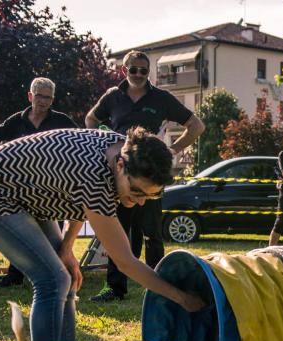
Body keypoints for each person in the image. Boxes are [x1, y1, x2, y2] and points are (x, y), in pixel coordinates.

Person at [0, 127, 205, 341]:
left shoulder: (123, 149)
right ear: (120, 166)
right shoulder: (96, 178)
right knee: (52, 280)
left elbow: (78, 201)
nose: (140, 202)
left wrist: (66, 248)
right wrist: (182, 298)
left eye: (150, 196)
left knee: (64, 273)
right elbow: (125, 262)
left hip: (29, 194)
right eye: (138, 191)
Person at [85, 50, 204, 302]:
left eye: (143, 70)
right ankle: (114, 289)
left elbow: (196, 126)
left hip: (150, 178)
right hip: (121, 178)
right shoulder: (113, 97)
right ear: (123, 70)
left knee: (152, 233)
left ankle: (160, 288)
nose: (138, 74)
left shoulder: (161, 98)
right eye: (133, 70)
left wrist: (171, 150)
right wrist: (103, 142)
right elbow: (90, 119)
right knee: (119, 233)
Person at [0, 77, 78, 288]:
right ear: (30, 96)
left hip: (53, 190)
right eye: (39, 96)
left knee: (56, 239)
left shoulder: (62, 121)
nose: (43, 101)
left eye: (48, 97)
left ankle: (62, 276)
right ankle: (15, 276)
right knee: (21, 233)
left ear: (52, 100)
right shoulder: (16, 120)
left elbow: (79, 143)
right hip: (20, 189)